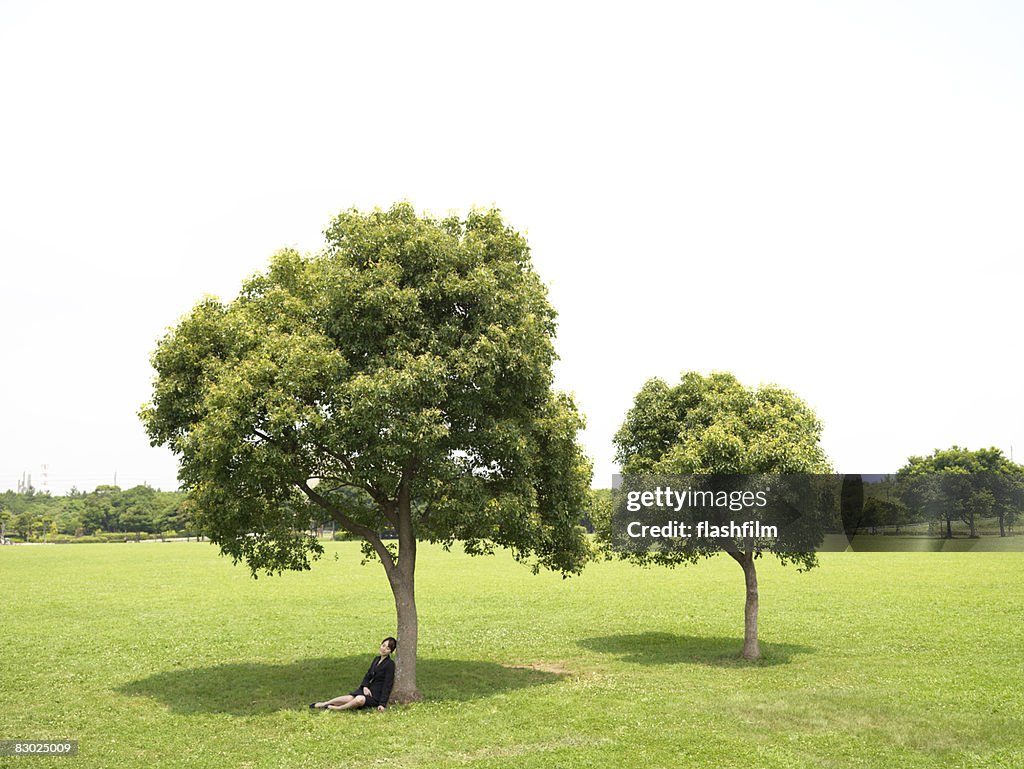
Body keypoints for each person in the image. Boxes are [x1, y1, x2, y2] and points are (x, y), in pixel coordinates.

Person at [310, 637, 397, 712]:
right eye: (383, 645)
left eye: (388, 648)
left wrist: (382, 704)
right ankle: (324, 704)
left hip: (375, 695)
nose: (384, 649)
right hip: (367, 690)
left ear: (390, 651)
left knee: (359, 699)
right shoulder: (376, 659)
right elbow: (368, 675)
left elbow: (387, 685)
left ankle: (338, 709)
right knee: (350, 698)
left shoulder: (390, 664)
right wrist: (365, 686)